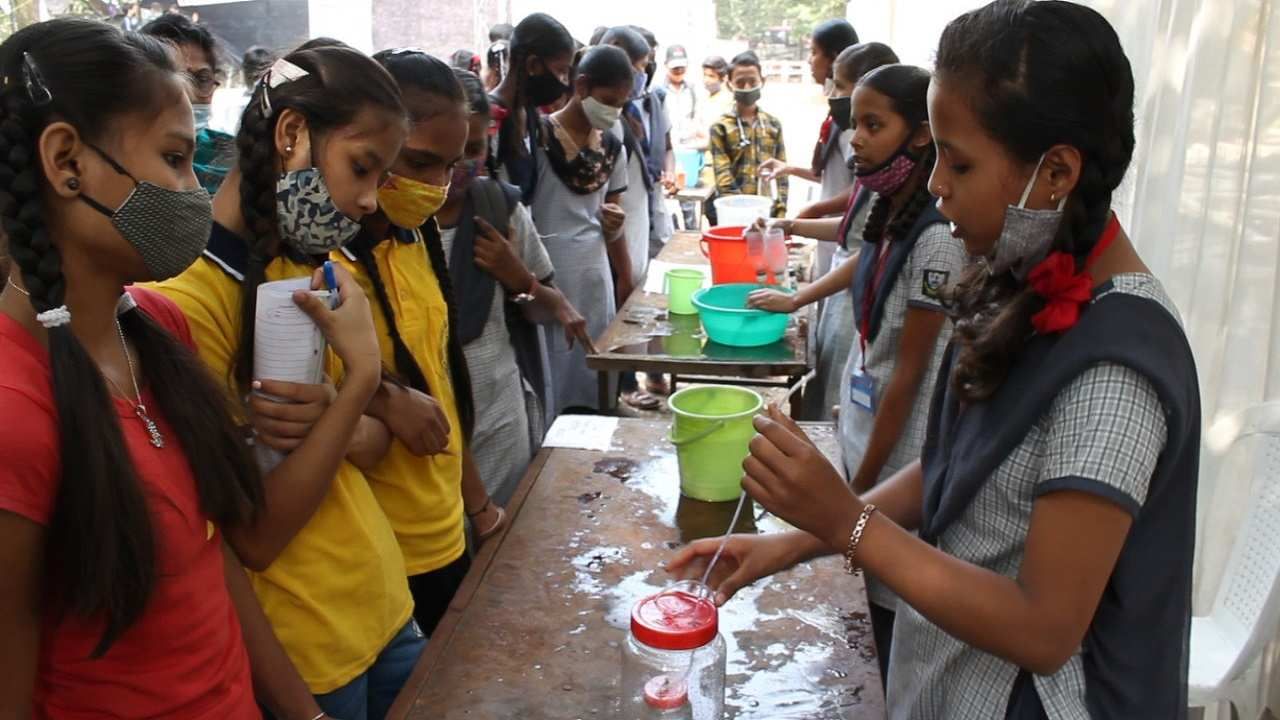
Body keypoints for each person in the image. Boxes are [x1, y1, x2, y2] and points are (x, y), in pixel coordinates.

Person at [670, 2, 1200, 717]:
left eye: (959, 161)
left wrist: (847, 523)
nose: (938, 184)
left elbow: (1044, 629)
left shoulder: (1115, 371)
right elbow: (955, 460)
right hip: (948, 678)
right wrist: (796, 542)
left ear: (1057, 171)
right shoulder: (1027, 283)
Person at [0, 19, 329, 719]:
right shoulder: (14, 414)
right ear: (67, 163)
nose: (194, 193)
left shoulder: (157, 327)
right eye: (176, 159)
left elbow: (214, 560)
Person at [153, 43, 426, 720]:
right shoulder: (189, 301)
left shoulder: (311, 263)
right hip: (307, 646)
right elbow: (253, 537)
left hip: (385, 606)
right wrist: (362, 387)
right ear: (292, 133)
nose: (367, 202)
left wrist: (342, 412)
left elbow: (371, 447)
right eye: (362, 168)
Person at [752, 65, 963, 677]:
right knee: (857, 585)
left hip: (896, 448)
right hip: (866, 429)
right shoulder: (890, 202)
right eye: (856, 124)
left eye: (875, 125)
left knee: (883, 596)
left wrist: (857, 493)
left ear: (920, 135)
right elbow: (864, 259)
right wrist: (798, 297)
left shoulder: (938, 238)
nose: (857, 139)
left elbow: (909, 378)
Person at [330, 51, 508, 640]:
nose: (434, 187)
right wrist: (382, 397)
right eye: (419, 162)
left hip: (444, 531)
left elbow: (442, 386)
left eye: (451, 166)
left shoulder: (416, 237)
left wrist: (478, 507)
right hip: (374, 555)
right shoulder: (317, 264)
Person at [437, 68, 594, 504]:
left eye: (474, 148)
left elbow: (545, 303)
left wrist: (517, 277)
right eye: (445, 154)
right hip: (432, 438)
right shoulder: (391, 224)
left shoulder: (499, 208)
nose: (461, 164)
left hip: (500, 421)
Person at [755, 42, 900, 422]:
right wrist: (790, 225)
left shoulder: (901, 186)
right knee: (825, 391)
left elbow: (869, 251)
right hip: (840, 295)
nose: (855, 138)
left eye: (839, 85)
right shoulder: (877, 167)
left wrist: (797, 299)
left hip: (856, 298)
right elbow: (856, 229)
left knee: (840, 406)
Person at [530, 44, 633, 416]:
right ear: (583, 86)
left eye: (622, 103)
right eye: (609, 100)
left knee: (594, 365)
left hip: (594, 271)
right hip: (549, 272)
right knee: (553, 368)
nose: (615, 111)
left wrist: (615, 226)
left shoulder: (613, 148)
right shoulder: (538, 140)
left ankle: (603, 410)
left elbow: (613, 215)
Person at [758, 18, 859, 276]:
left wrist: (814, 211)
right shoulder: (837, 111)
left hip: (847, 237)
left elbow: (864, 189)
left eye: (814, 52)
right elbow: (832, 175)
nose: (809, 60)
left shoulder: (852, 122)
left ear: (834, 58)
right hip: (831, 235)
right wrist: (789, 168)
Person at [489, 12, 576, 204]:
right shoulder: (492, 119)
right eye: (561, 71)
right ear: (533, 65)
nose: (565, 82)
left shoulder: (529, 114)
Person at [709, 51, 787, 220]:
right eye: (740, 82)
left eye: (752, 82)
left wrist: (780, 213)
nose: (746, 87)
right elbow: (723, 179)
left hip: (767, 214)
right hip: (734, 214)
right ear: (730, 84)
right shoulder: (721, 127)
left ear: (762, 81)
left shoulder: (773, 125)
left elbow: (781, 174)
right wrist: (743, 212)